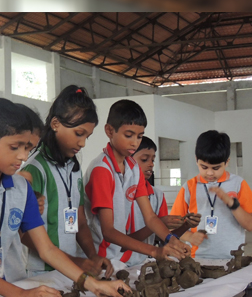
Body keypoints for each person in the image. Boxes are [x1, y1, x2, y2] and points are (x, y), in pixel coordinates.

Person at [0, 97, 130, 297]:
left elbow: (47, 249)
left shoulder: (21, 187)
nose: (23, 156)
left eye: (27, 148)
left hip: (8, 291)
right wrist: (22, 295)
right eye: (15, 147)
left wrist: (94, 285)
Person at [20, 85, 113, 278]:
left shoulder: (74, 168)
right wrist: (74, 261)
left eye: (87, 136)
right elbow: (25, 233)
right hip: (42, 274)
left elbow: (80, 222)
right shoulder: (35, 169)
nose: (82, 143)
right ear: (55, 124)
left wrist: (93, 256)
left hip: (71, 270)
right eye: (79, 134)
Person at [83, 99, 188, 266]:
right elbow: (108, 232)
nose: (135, 142)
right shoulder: (102, 170)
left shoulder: (133, 168)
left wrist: (172, 240)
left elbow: (150, 217)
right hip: (98, 257)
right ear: (109, 131)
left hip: (118, 256)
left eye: (140, 136)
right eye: (128, 135)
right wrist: (154, 251)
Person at [171, 130, 252, 259]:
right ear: (196, 160)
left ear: (227, 162)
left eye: (216, 168)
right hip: (197, 258)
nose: (209, 173)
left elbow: (250, 225)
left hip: (232, 259)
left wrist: (232, 204)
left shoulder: (238, 184)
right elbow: (171, 227)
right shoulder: (189, 187)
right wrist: (190, 236)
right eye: (204, 167)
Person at [125, 136, 205, 266]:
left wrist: (186, 226)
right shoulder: (120, 194)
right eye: (144, 159)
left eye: (153, 160)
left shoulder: (157, 196)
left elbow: (164, 240)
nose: (151, 164)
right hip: (118, 264)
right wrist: (158, 223)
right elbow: (120, 242)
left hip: (143, 263)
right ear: (128, 160)